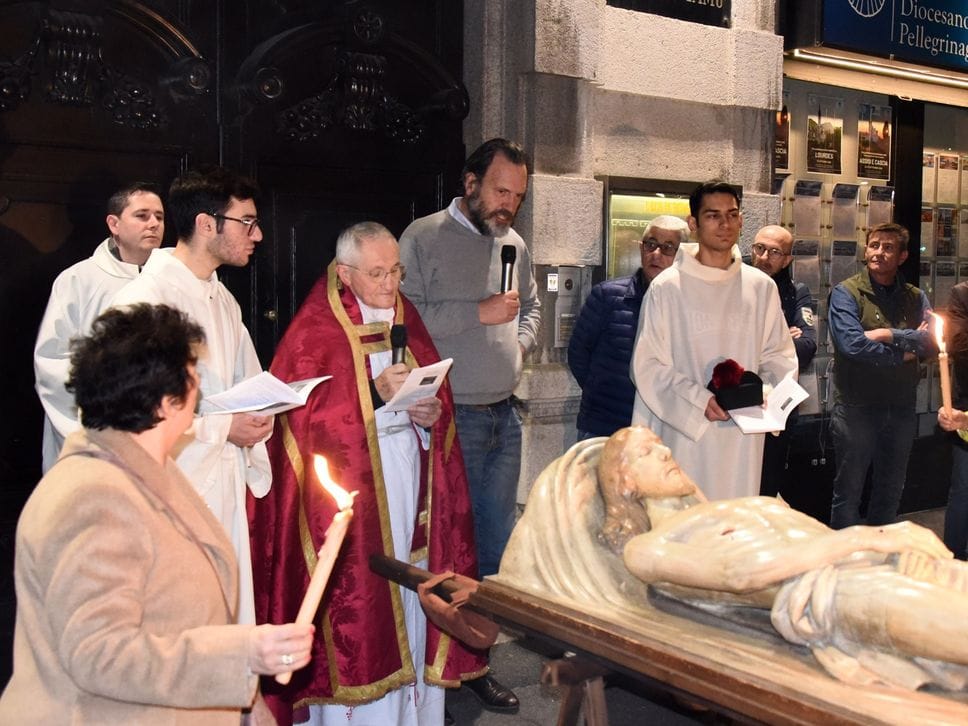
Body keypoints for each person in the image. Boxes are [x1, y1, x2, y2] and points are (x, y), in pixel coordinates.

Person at [0, 303, 314, 724]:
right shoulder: (92, 498)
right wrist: (242, 655)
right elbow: (99, 653)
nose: (199, 386)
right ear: (166, 403)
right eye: (192, 374)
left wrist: (245, 708)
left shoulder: (144, 470)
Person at [499, 426, 968, 693]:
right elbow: (739, 573)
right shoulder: (648, 548)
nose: (665, 451)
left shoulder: (722, 508)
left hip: (880, 561)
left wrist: (878, 547)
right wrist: (871, 535)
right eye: (647, 452)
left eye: (661, 443)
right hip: (835, 593)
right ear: (626, 483)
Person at [250, 222, 487, 726]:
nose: (389, 284)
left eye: (396, 271)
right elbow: (300, 424)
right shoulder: (316, 331)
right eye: (377, 273)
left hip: (409, 478)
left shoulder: (406, 316)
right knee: (361, 599)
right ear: (344, 273)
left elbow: (437, 397)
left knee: (410, 586)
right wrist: (375, 397)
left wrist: (430, 416)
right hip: (348, 493)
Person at [399, 138, 540, 714]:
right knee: (448, 547)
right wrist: (478, 314)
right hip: (449, 419)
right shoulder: (423, 237)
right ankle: (438, 665)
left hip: (504, 413)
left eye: (518, 196)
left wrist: (518, 346)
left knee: (493, 548)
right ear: (470, 183)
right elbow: (402, 318)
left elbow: (530, 307)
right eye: (501, 191)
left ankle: (477, 662)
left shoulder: (514, 244)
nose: (509, 205)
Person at [111, 167, 273, 626]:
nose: (257, 235)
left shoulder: (224, 301)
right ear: (206, 224)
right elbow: (132, 415)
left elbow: (246, 385)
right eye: (247, 222)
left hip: (221, 486)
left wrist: (261, 413)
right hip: (169, 494)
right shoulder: (144, 301)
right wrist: (224, 428)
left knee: (223, 618)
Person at [630, 181, 798, 500]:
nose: (725, 224)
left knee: (734, 517)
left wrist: (763, 394)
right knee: (687, 517)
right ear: (693, 223)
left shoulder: (761, 288)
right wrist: (698, 401)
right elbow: (648, 365)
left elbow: (780, 356)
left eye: (732, 215)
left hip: (743, 435)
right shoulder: (667, 288)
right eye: (713, 216)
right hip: (685, 433)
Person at [34, 181, 165, 472]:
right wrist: (104, 420)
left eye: (159, 216)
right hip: (99, 430)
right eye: (142, 216)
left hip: (161, 432)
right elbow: (54, 361)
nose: (154, 224)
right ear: (114, 224)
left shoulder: (172, 279)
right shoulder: (78, 280)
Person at [828, 222, 935, 529]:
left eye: (888, 248)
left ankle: (882, 548)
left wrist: (887, 334)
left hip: (901, 407)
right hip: (856, 407)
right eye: (874, 245)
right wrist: (904, 351)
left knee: (890, 489)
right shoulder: (846, 293)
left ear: (902, 256)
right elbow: (852, 345)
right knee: (848, 492)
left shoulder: (915, 297)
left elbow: (931, 342)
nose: (878, 252)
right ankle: (845, 553)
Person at [568, 215, 689, 439]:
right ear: (641, 248)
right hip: (605, 426)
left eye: (667, 248)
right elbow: (578, 354)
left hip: (662, 427)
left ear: (683, 254)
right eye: (650, 244)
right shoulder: (607, 296)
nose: (656, 254)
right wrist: (603, 395)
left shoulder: (688, 305)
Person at [748, 224, 817, 496]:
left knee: (767, 487)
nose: (764, 257)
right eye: (760, 248)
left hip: (777, 408)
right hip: (737, 401)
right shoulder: (733, 283)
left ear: (787, 259)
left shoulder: (796, 291)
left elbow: (808, 346)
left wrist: (759, 345)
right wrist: (782, 339)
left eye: (775, 252)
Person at [938, 279, 968, 560]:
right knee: (964, 489)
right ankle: (954, 561)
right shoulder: (963, 293)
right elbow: (960, 346)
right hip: (965, 407)